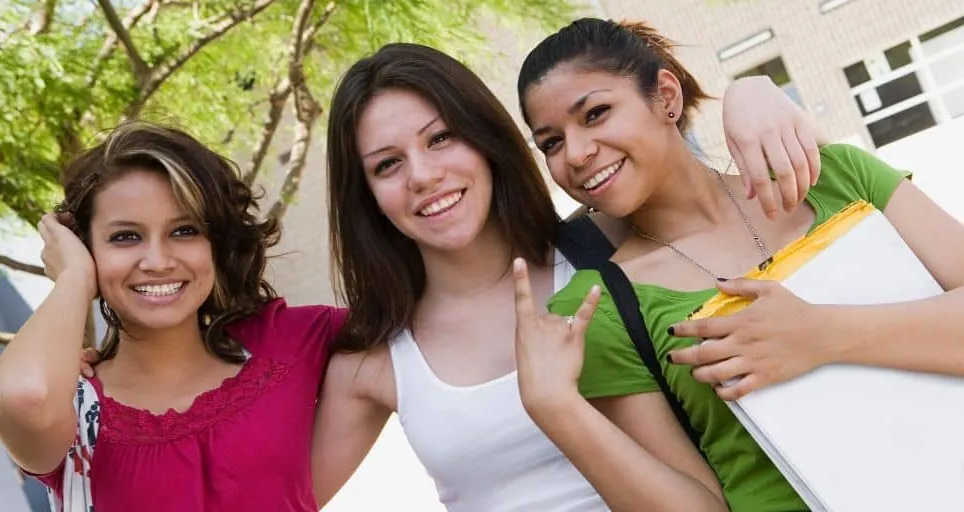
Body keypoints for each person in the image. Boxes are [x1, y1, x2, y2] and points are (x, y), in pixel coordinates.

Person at [312, 41, 822, 511]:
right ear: (367, 196)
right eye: (387, 165)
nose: (422, 176)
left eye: (441, 138)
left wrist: (751, 91)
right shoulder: (373, 360)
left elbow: (715, 181)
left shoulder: (619, 247)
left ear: (486, 137)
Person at [518, 17, 964, 512]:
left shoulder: (836, 177)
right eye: (551, 143)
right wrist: (558, 411)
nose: (575, 155)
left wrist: (824, 334)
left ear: (666, 95)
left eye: (596, 113)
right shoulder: (599, 307)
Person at [0, 122, 345, 511]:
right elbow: (24, 398)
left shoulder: (292, 342)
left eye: (185, 230)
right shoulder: (73, 409)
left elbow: (407, 323)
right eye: (125, 236)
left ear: (216, 243)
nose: (157, 261)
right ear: (87, 249)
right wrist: (72, 277)